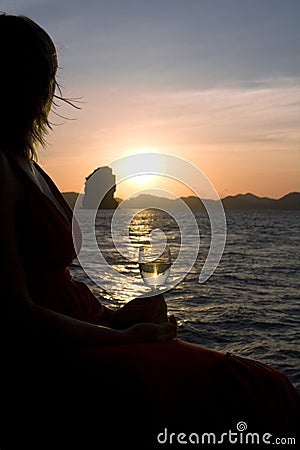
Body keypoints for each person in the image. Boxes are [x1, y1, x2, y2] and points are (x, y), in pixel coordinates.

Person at [0, 13, 299, 450]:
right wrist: (119, 336)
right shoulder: (0, 168)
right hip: (58, 350)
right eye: (36, 72)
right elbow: (15, 313)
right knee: (262, 388)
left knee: (252, 386)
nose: (44, 87)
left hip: (89, 326)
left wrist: (122, 317)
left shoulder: (30, 165)